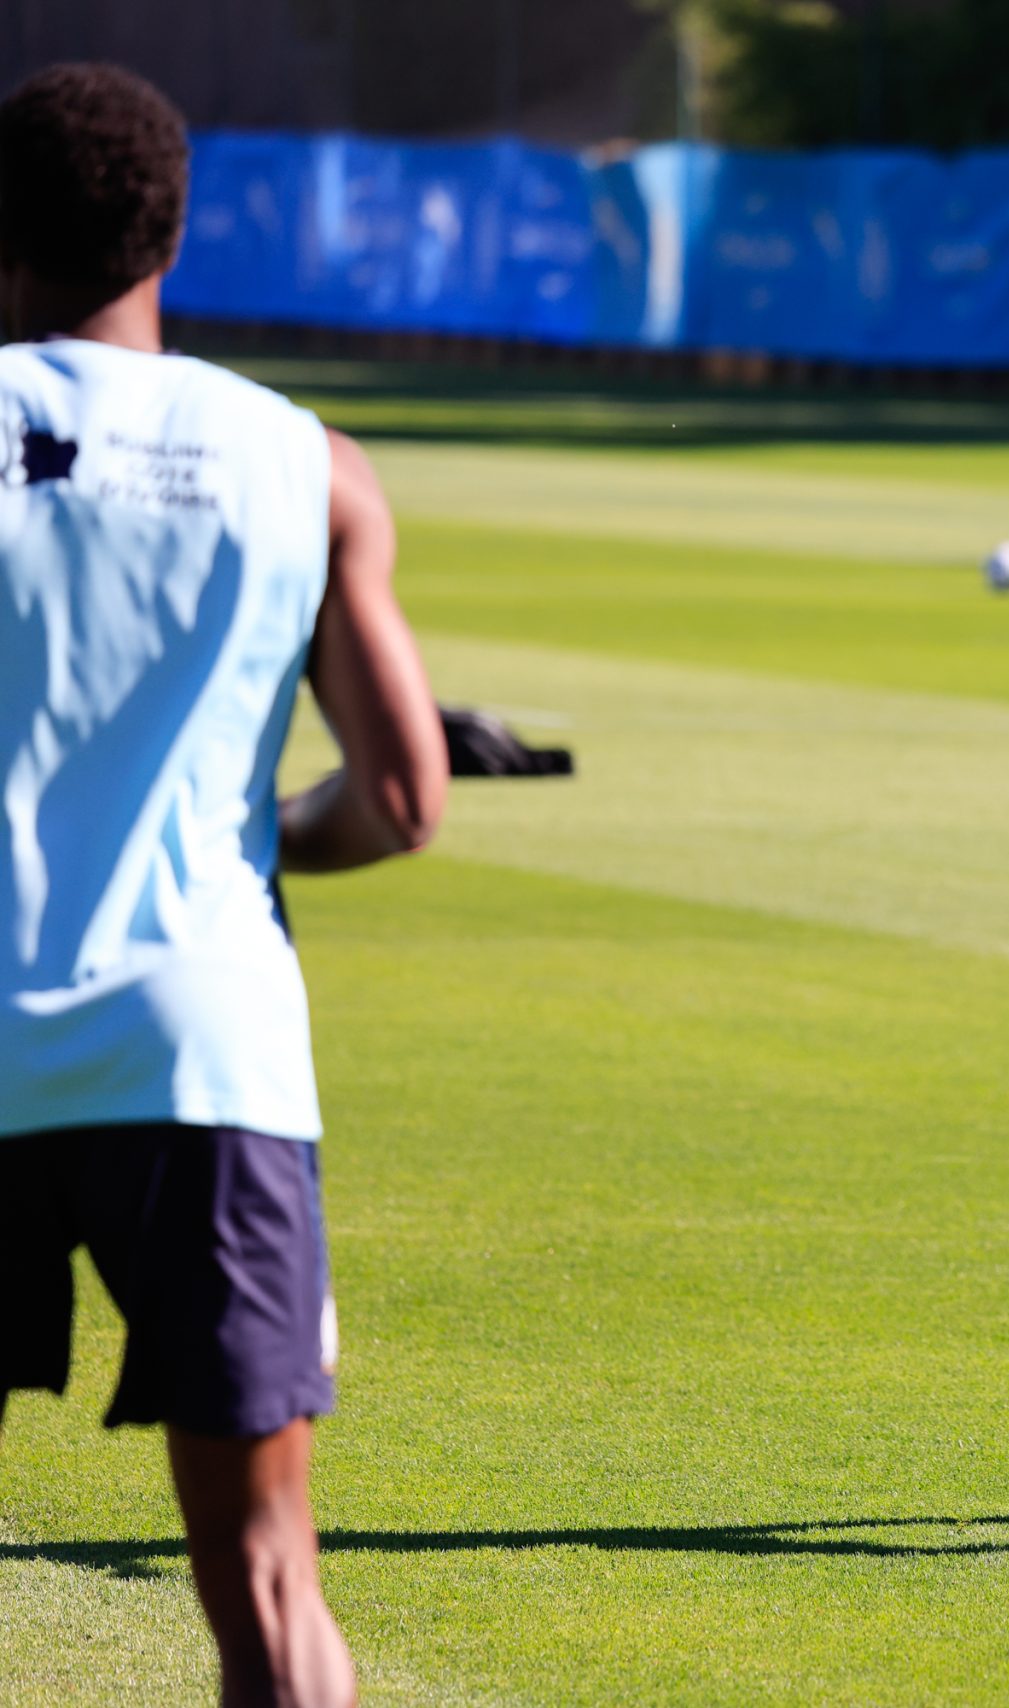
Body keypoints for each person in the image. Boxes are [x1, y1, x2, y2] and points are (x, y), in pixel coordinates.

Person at [0, 64, 445, 1707]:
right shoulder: (303, 462)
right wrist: (256, 841)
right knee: (267, 1580)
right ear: (173, 233)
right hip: (202, 1051)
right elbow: (401, 798)